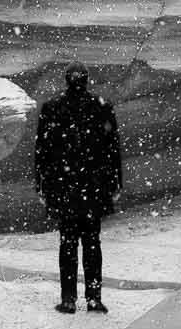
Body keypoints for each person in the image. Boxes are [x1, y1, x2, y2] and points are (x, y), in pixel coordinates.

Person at [32, 65, 122, 314]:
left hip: (64, 188)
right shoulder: (101, 107)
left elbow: (42, 151)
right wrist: (115, 183)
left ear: (67, 80)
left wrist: (41, 184)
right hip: (93, 187)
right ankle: (94, 298)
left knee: (68, 244)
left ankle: (69, 299)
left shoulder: (52, 108)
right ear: (86, 80)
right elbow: (112, 149)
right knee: (92, 242)